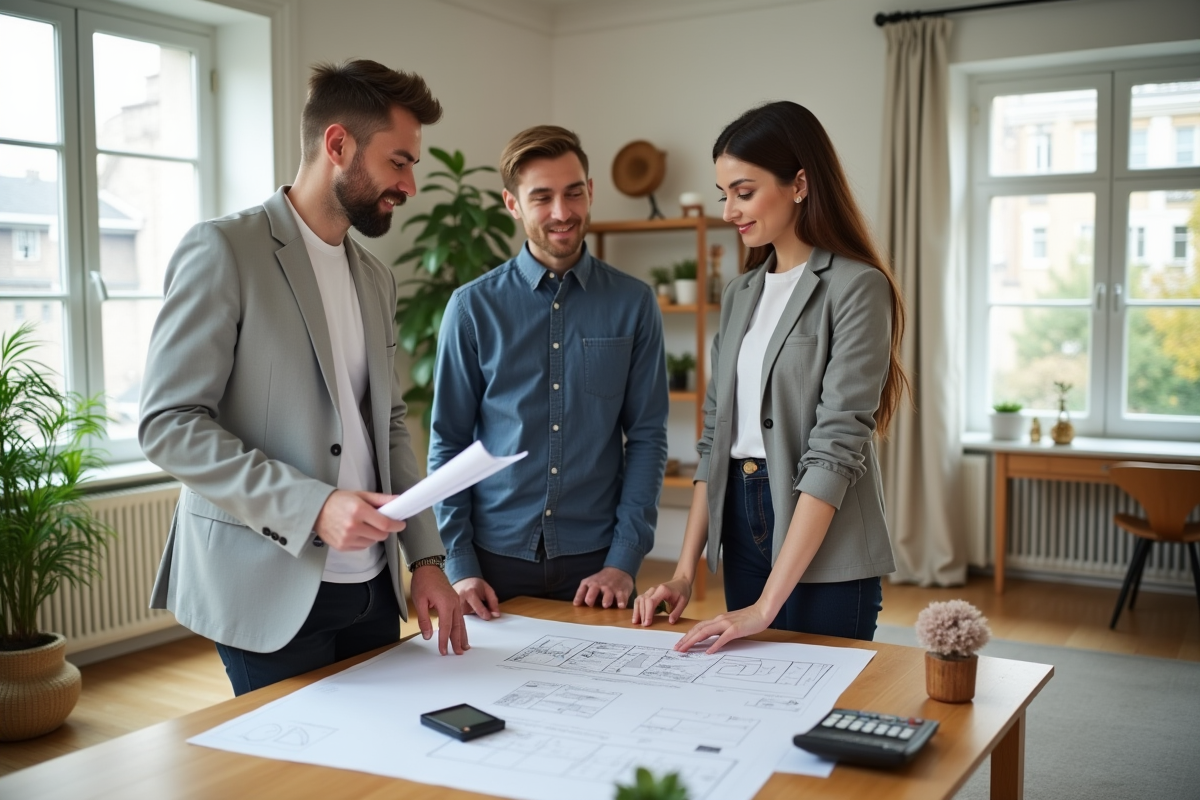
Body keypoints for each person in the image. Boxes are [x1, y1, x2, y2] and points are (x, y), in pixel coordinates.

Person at [140, 60, 467, 696]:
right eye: (399, 162)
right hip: (265, 587)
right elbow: (168, 424)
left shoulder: (376, 278)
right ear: (338, 144)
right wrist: (312, 506)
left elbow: (390, 425)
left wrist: (426, 559)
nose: (410, 184)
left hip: (371, 588)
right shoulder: (224, 251)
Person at [632, 101, 908, 654]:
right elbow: (715, 436)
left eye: (744, 190)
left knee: (822, 708)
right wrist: (686, 572)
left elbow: (835, 449)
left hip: (824, 531)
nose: (731, 210)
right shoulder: (739, 293)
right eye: (723, 194)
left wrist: (764, 607)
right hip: (740, 520)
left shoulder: (857, 288)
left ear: (800, 184)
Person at [429, 125, 669, 618]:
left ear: (591, 192)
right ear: (512, 204)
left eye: (574, 192)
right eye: (542, 197)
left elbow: (646, 437)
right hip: (492, 567)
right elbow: (448, 443)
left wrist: (625, 558)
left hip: (598, 566)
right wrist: (460, 562)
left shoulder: (634, 303)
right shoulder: (472, 309)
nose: (562, 212)